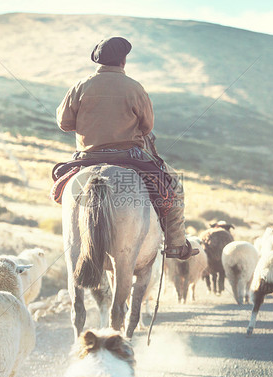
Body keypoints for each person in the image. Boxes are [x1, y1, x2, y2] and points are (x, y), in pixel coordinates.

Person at [56, 36, 197, 260]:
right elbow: (147, 126)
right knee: (174, 185)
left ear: (98, 61)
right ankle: (175, 244)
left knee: (63, 185)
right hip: (129, 155)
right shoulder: (135, 87)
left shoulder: (80, 86)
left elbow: (64, 123)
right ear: (123, 61)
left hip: (87, 157)